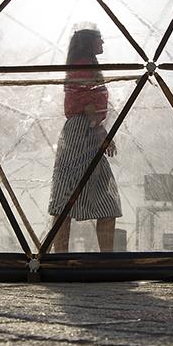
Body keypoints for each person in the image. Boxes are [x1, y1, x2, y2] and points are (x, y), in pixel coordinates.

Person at [47, 26, 121, 252]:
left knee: (87, 199)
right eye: (100, 39)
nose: (103, 44)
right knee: (67, 199)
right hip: (82, 131)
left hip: (84, 130)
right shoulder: (82, 65)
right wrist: (100, 132)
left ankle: (70, 256)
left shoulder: (84, 65)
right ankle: (65, 257)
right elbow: (85, 100)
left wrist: (99, 129)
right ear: (89, 42)